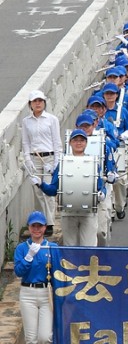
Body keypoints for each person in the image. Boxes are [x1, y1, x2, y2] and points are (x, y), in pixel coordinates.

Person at [34, 129, 106, 246]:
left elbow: (100, 186)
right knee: (70, 249)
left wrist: (102, 194)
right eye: (75, 140)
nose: (78, 143)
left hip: (88, 212)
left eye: (82, 140)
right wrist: (41, 184)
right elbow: (53, 190)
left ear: (86, 143)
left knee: (89, 247)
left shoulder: (93, 162)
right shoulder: (63, 163)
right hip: (68, 212)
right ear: (70, 143)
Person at [14, 211, 58, 344]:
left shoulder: (52, 248)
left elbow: (59, 272)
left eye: (40, 226)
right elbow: (18, 271)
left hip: (46, 293)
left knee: (45, 337)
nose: (37, 229)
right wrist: (29, 256)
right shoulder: (22, 249)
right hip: (28, 293)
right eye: (33, 226)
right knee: (31, 339)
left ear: (45, 228)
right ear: (29, 228)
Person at [22, 90, 62, 237]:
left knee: (48, 191)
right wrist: (27, 159)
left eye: (40, 101)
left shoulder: (52, 119)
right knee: (38, 192)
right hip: (34, 159)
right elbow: (26, 142)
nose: (38, 103)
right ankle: (41, 220)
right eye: (35, 101)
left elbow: (57, 142)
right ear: (30, 104)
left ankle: (50, 223)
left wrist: (56, 162)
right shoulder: (26, 121)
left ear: (44, 102)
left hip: (49, 158)